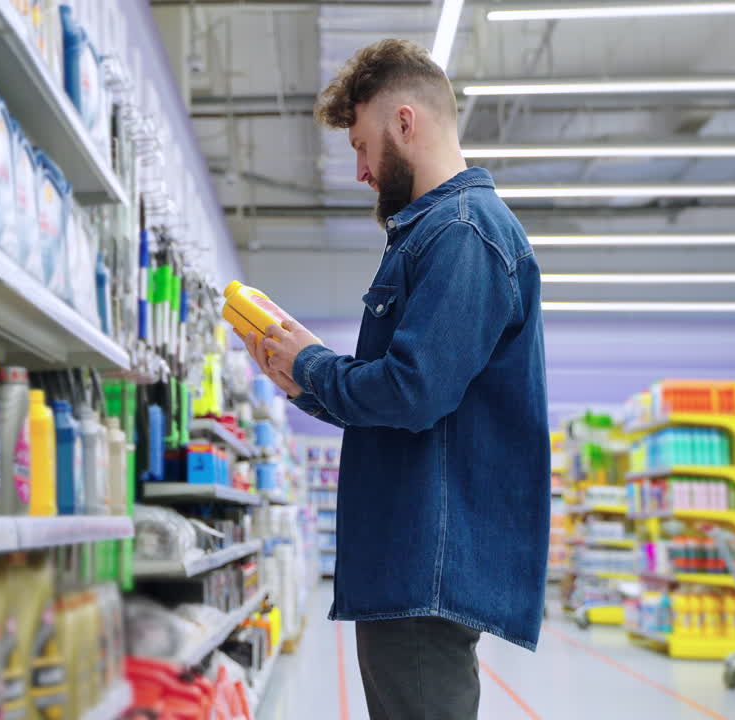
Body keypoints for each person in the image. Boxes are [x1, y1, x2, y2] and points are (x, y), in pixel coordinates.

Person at [239, 38, 549, 720]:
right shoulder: (434, 235)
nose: (359, 171)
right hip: (408, 562)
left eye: (360, 144)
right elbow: (408, 396)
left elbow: (413, 391)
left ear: (406, 123)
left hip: (425, 567)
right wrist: (305, 384)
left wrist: (315, 366)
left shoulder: (464, 233)